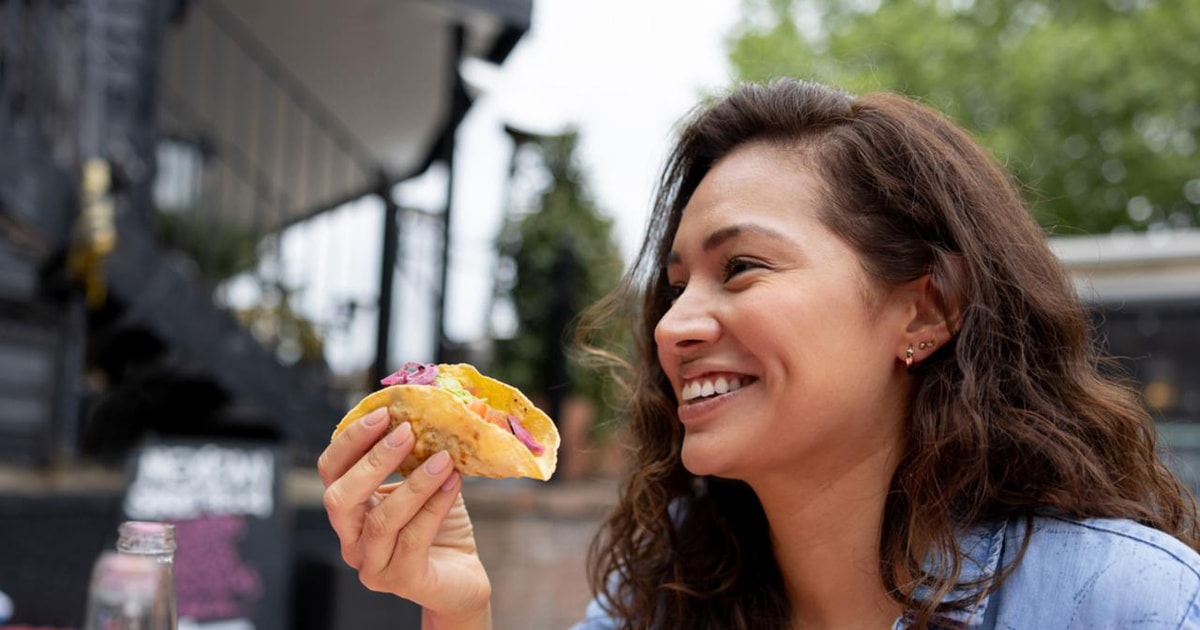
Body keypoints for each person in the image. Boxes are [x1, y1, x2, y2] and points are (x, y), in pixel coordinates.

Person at [317, 79, 1200, 629]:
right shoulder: (657, 601)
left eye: (742, 268)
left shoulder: (1128, 603)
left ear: (925, 310)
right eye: (676, 284)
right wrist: (459, 610)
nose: (672, 325)